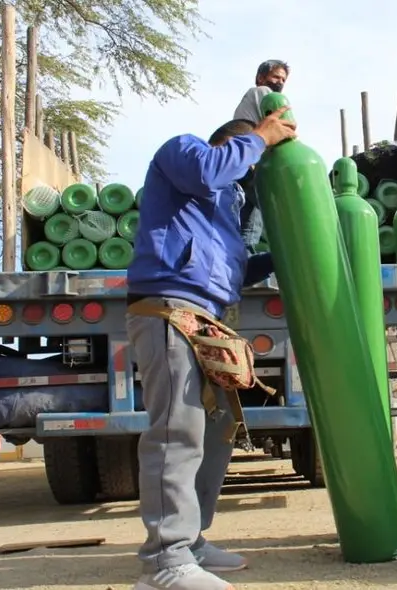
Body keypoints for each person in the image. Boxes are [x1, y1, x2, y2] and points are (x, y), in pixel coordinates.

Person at [125, 109, 296, 590]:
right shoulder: (185, 152)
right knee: (175, 431)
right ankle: (164, 561)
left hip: (207, 318)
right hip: (168, 308)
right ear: (236, 145)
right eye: (253, 159)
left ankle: (191, 540)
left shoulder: (224, 210)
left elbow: (233, 272)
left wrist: (287, 254)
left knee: (216, 429)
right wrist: (261, 137)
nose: (251, 176)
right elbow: (208, 169)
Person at [232, 60, 290, 252]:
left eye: (283, 79)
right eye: (275, 76)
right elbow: (283, 127)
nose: (279, 82)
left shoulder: (246, 101)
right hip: (253, 166)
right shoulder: (262, 93)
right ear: (261, 78)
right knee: (281, 213)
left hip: (243, 164)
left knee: (248, 226)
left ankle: (242, 269)